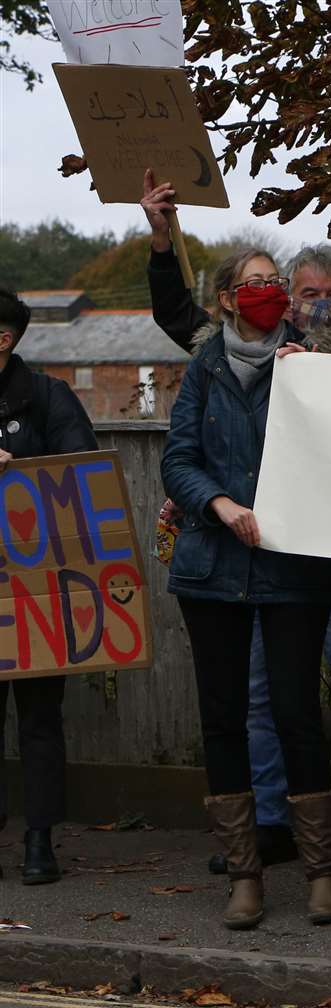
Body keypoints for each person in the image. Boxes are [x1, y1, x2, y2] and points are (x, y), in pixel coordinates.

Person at [140, 173, 331, 875]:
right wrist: (161, 237)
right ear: (279, 298)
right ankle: (266, 825)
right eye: (306, 293)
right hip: (252, 547)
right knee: (261, 694)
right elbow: (178, 318)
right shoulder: (226, 354)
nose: (319, 304)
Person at [161, 248, 331, 930]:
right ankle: (245, 875)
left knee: (299, 714)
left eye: (274, 281)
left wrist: (314, 383)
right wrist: (217, 504)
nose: (266, 291)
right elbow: (177, 459)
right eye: (253, 283)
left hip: (292, 566)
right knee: (223, 718)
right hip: (212, 567)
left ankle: (322, 871)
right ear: (228, 300)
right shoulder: (204, 368)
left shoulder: (310, 360)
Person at [0, 290, 98, 885]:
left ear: (5, 338)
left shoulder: (46, 397)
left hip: (37, 585)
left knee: (39, 716)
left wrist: (23, 470)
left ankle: (40, 839)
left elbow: (84, 472)